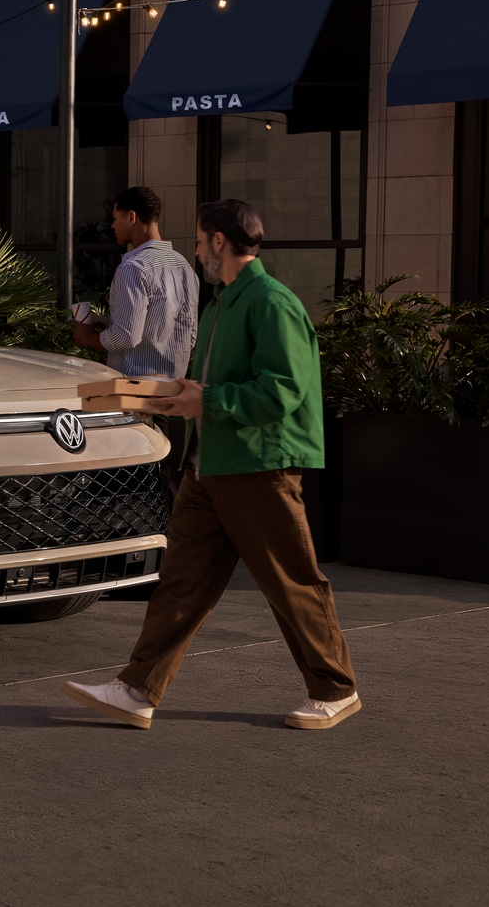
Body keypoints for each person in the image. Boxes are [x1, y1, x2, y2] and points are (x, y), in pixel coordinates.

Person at [60, 197, 361, 733]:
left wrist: (209, 401)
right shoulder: (221, 304)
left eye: (200, 240)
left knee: (291, 581)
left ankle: (335, 690)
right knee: (180, 583)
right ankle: (137, 690)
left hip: (256, 467)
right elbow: (206, 384)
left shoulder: (270, 303)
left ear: (220, 241)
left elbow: (284, 389)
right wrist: (167, 395)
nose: (195, 249)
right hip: (210, 467)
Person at [71, 185, 199, 381]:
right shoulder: (185, 267)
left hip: (135, 393)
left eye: (115, 218)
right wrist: (105, 322)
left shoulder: (133, 267)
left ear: (131, 217)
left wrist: (85, 338)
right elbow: (188, 337)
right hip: (173, 391)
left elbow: (126, 337)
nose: (112, 226)